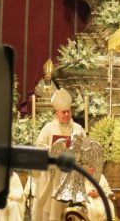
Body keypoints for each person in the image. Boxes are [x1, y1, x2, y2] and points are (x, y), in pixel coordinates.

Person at [33, 88, 86, 221]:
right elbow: (39, 146)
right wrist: (53, 149)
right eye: (64, 112)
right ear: (57, 113)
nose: (67, 115)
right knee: (53, 211)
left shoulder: (78, 129)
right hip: (54, 174)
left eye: (68, 112)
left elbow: (84, 148)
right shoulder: (48, 128)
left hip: (72, 172)